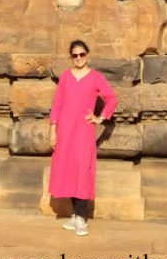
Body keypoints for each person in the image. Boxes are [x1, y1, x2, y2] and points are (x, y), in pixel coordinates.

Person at [48, 39, 117, 236]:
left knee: (82, 170)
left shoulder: (95, 77)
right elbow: (57, 103)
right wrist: (53, 129)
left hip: (84, 131)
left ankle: (81, 218)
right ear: (71, 57)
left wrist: (100, 118)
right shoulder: (66, 77)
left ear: (87, 54)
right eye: (75, 55)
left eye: (82, 54)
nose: (78, 58)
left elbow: (111, 98)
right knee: (67, 169)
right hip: (64, 130)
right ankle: (74, 215)